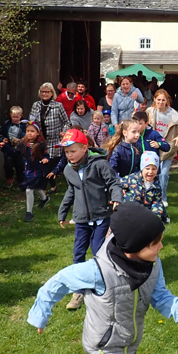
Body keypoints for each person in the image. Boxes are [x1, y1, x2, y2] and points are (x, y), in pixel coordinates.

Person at [27, 202, 178, 354]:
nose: (160, 247)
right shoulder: (98, 270)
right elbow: (59, 281)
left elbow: (160, 294)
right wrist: (40, 314)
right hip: (104, 348)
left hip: (128, 345)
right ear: (134, 245)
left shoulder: (153, 265)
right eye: (155, 243)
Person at [57, 128, 123, 311]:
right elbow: (71, 191)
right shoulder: (68, 170)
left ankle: (106, 285)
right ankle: (78, 290)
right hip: (81, 219)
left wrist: (116, 197)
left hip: (101, 216)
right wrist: (62, 212)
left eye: (73, 151)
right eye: (66, 152)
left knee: (98, 252)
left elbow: (113, 183)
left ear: (85, 148)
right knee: (78, 253)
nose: (69, 155)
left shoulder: (100, 164)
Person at [146, 89, 178, 208]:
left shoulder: (174, 114)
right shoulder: (150, 112)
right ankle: (149, 196)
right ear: (154, 100)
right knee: (150, 173)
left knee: (163, 174)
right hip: (152, 148)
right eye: (158, 100)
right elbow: (140, 124)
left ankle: (162, 197)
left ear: (167, 101)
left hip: (168, 148)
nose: (160, 102)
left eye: (163, 100)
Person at [30, 82, 70, 195]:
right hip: (41, 140)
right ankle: (46, 188)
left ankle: (51, 186)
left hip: (54, 140)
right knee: (42, 164)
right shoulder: (36, 105)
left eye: (47, 92)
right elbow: (31, 121)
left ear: (52, 93)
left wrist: (64, 132)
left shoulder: (58, 106)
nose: (45, 94)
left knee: (50, 164)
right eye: (43, 92)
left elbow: (67, 122)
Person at [120, 151, 167, 223]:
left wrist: (155, 218)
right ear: (142, 168)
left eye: (154, 169)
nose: (150, 172)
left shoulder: (157, 184)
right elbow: (116, 184)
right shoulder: (132, 178)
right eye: (147, 168)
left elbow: (157, 202)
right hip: (128, 213)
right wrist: (120, 189)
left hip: (144, 214)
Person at [20, 120, 51, 221]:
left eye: (32, 131)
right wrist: (5, 147)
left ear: (38, 133)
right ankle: (45, 198)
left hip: (38, 170)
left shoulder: (41, 144)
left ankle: (29, 213)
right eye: (28, 131)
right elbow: (14, 152)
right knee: (36, 188)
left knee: (29, 189)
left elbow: (46, 155)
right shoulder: (23, 144)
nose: (29, 133)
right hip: (28, 170)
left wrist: (46, 159)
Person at [0, 106, 28, 187]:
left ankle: (20, 181)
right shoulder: (6, 124)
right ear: (10, 115)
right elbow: (0, 132)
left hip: (20, 148)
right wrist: (3, 139)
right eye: (13, 117)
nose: (15, 119)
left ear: (21, 116)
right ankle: (9, 178)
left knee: (20, 165)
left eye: (17, 117)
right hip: (9, 147)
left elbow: (28, 135)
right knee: (8, 164)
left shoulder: (24, 125)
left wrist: (22, 140)